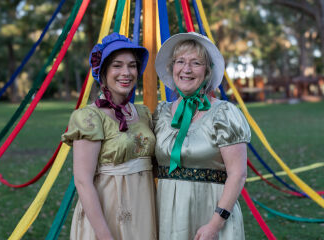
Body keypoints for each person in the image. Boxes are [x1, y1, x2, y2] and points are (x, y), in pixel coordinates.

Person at [153, 32, 251, 240]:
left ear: (207, 71)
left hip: (211, 215)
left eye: (196, 63)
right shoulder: (160, 114)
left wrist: (215, 225)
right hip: (168, 216)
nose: (186, 69)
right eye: (180, 61)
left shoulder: (224, 114)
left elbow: (238, 174)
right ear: (172, 68)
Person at [61, 32, 157, 240]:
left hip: (144, 210)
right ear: (103, 72)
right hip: (107, 214)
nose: (126, 72)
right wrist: (105, 236)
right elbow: (83, 181)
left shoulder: (143, 114)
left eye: (132, 65)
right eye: (117, 65)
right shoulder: (89, 117)